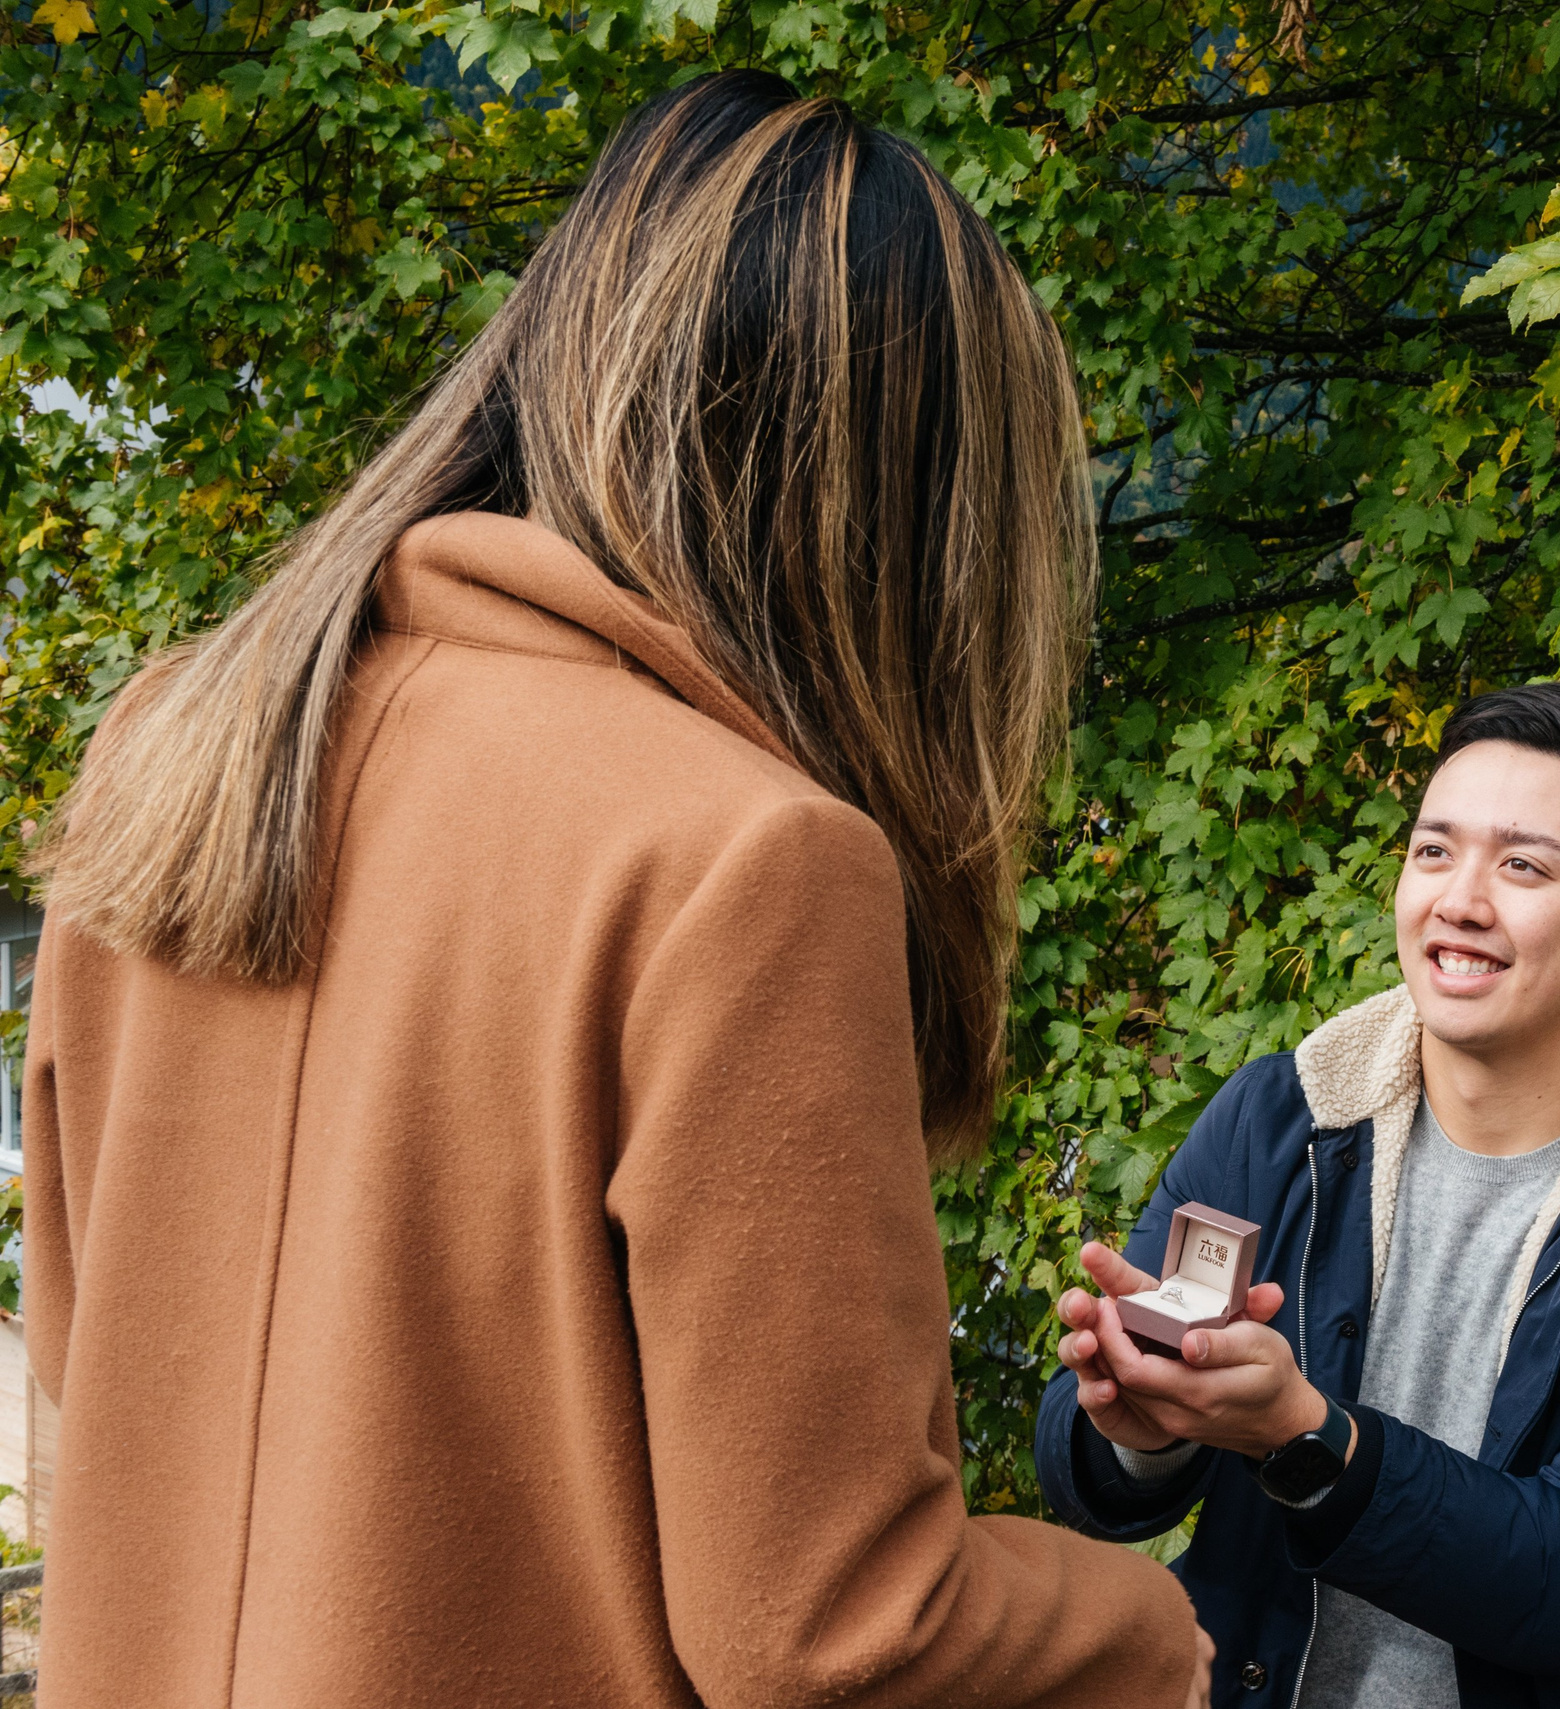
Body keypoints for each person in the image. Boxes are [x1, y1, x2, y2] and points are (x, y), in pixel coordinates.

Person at [20, 72, 1210, 1709]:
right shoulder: (746, 860)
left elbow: (90, 1386)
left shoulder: (184, 747)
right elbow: (832, 1626)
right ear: (904, 514)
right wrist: (1140, 1628)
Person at [1035, 682, 1560, 1709]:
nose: (1461, 900)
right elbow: (1089, 1478)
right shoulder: (1276, 1123)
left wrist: (1307, 1434)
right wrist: (1143, 1430)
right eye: (1434, 851)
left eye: (1523, 865)